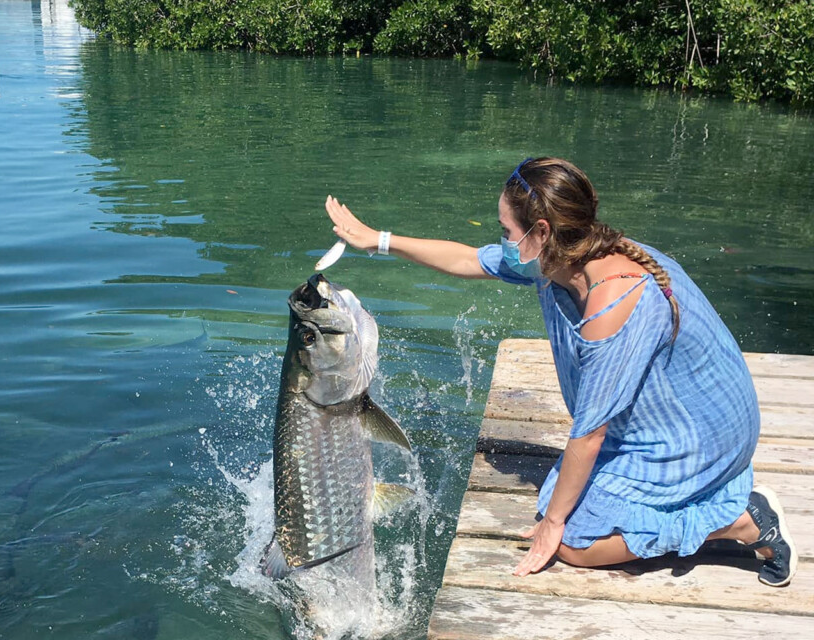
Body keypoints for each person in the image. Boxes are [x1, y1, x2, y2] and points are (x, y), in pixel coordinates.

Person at [323, 157, 797, 587]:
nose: (503, 241)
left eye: (507, 231)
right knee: (561, 503)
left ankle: (741, 521)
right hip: (666, 419)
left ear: (541, 232)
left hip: (697, 436)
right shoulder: (563, 257)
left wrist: (552, 525)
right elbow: (468, 259)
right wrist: (376, 241)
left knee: (574, 543)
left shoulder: (613, 305)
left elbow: (589, 435)